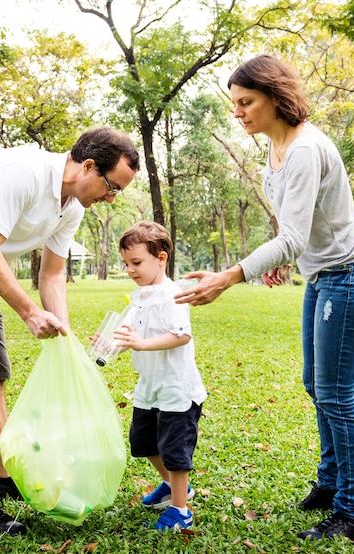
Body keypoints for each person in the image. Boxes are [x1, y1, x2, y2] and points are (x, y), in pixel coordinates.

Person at [176, 55, 354, 541]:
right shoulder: (277, 147)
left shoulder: (306, 149)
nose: (239, 112)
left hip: (350, 273)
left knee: (337, 395)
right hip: (322, 274)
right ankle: (330, 484)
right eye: (235, 104)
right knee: (317, 385)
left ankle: (352, 512)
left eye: (246, 102)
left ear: (275, 96)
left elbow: (291, 234)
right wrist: (285, 260)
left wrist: (231, 276)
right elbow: (300, 228)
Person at [0, 127, 140, 535]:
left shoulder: (73, 208)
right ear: (88, 166)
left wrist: (64, 333)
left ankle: (4, 477)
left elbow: (52, 274)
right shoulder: (26, 173)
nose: (110, 198)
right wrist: (30, 313)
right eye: (111, 186)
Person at [112, 221, 208, 532]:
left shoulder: (172, 294)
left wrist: (140, 343)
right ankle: (170, 485)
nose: (130, 269)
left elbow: (181, 335)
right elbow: (134, 335)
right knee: (142, 442)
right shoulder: (139, 295)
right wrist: (114, 344)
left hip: (176, 389)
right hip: (149, 386)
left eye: (136, 262)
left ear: (161, 258)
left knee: (174, 449)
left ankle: (181, 508)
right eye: (126, 263)